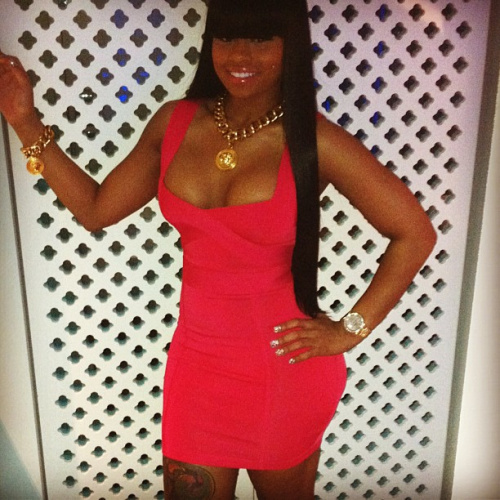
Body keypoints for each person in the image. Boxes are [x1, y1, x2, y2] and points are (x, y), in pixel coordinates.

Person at [0, 0, 437, 498]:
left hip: (283, 369)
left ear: (290, 45)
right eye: (227, 37)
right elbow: (95, 210)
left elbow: (415, 234)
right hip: (197, 368)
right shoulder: (174, 122)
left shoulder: (315, 140)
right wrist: (24, 121)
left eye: (261, 38)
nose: (240, 55)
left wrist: (349, 330)